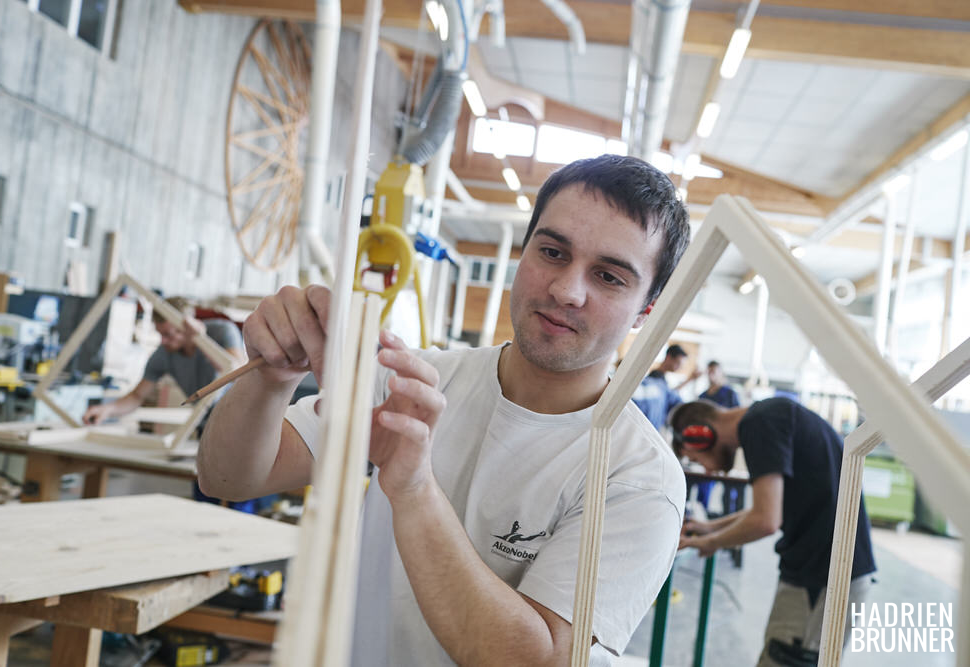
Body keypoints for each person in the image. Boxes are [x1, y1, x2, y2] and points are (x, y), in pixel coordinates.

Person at [197, 154, 691, 666]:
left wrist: (414, 489)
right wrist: (271, 378)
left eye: (609, 277)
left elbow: (534, 662)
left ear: (647, 310)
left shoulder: (639, 479)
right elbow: (227, 478)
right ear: (524, 254)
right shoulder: (414, 379)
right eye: (552, 252)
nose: (566, 290)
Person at [668, 398, 876, 667]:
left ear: (701, 435)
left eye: (696, 458)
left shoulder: (759, 423)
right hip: (825, 573)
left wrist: (710, 542)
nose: (707, 469)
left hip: (821, 580)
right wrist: (710, 527)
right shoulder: (771, 416)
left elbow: (766, 520)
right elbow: (769, 507)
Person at [82, 297, 245, 425]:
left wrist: (201, 340)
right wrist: (107, 410)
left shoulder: (222, 331)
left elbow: (237, 373)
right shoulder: (164, 354)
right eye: (160, 334)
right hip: (206, 420)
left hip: (240, 417)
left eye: (168, 334)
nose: (163, 341)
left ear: (186, 326)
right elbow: (137, 396)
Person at [632, 343, 700, 430]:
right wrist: (689, 380)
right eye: (678, 363)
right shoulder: (654, 379)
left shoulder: (662, 380)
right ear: (668, 357)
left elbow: (669, 394)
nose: (679, 367)